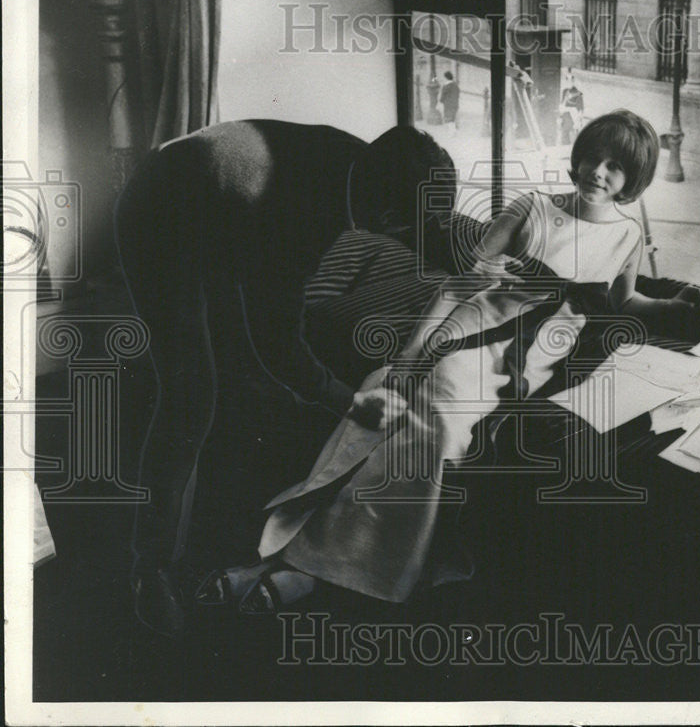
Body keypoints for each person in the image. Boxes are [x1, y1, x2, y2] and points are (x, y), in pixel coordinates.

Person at [199, 110, 700, 613]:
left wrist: (675, 307)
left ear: (632, 179)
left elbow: (624, 302)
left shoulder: (626, 235)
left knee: (439, 430)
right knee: (411, 405)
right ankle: (308, 568)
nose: (598, 171)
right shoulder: (531, 208)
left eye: (615, 166)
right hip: (472, 329)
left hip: (532, 355)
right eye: (592, 157)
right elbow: (459, 287)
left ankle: (303, 566)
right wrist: (412, 353)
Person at [115, 120, 456, 635]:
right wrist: (347, 400)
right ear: (381, 215)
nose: (400, 240)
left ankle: (217, 528)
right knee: (191, 394)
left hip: (226, 202)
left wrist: (486, 272)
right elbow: (278, 338)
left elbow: (431, 234)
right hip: (159, 210)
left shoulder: (379, 164)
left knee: (239, 370)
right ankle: (150, 567)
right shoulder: (304, 211)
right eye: (395, 231)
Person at [559, 69, 585, 144]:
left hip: (573, 120)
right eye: (567, 79)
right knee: (564, 139)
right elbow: (562, 104)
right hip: (564, 118)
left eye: (571, 80)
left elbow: (581, 108)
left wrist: (578, 121)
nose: (569, 82)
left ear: (573, 81)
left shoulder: (578, 93)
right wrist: (560, 116)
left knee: (573, 140)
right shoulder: (564, 91)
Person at [437, 70, 460, 136]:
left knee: (448, 119)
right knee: (452, 118)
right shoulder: (455, 85)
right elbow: (457, 94)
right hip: (455, 104)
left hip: (448, 105)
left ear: (446, 78)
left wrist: (440, 102)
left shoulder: (446, 86)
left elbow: (443, 96)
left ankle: (451, 133)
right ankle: (454, 132)